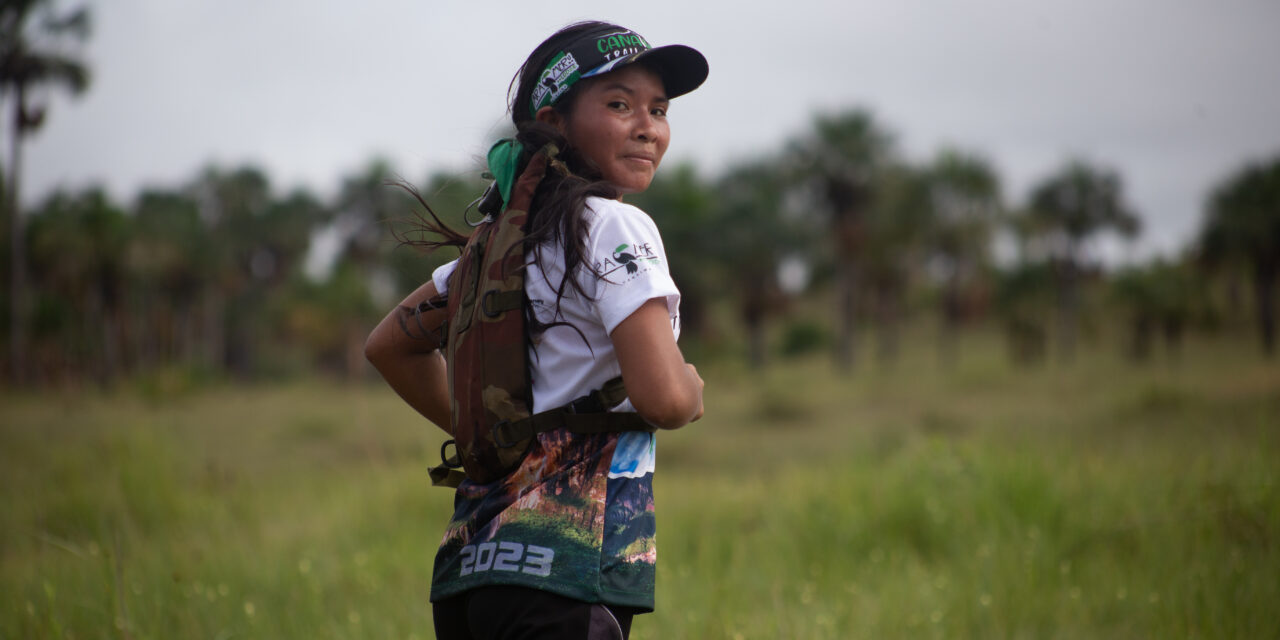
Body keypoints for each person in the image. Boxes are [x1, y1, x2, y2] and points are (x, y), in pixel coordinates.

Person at [364, 21, 709, 640]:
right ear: (553, 122)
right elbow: (661, 398)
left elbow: (389, 344)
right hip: (569, 574)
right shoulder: (614, 227)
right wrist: (691, 388)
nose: (647, 126)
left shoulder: (491, 250)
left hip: (472, 572)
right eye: (618, 104)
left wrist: (489, 433)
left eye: (658, 109)